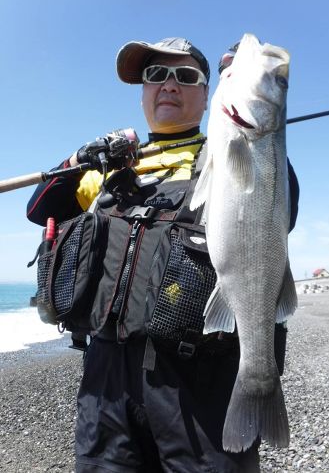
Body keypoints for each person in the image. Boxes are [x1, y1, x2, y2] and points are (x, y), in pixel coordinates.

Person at [27, 36, 299, 473]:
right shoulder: (110, 172)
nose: (168, 85)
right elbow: (39, 210)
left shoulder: (225, 156)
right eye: (155, 75)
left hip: (197, 384)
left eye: (185, 76)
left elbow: (276, 210)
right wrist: (80, 158)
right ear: (143, 93)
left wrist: (260, 117)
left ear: (208, 94)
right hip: (105, 384)